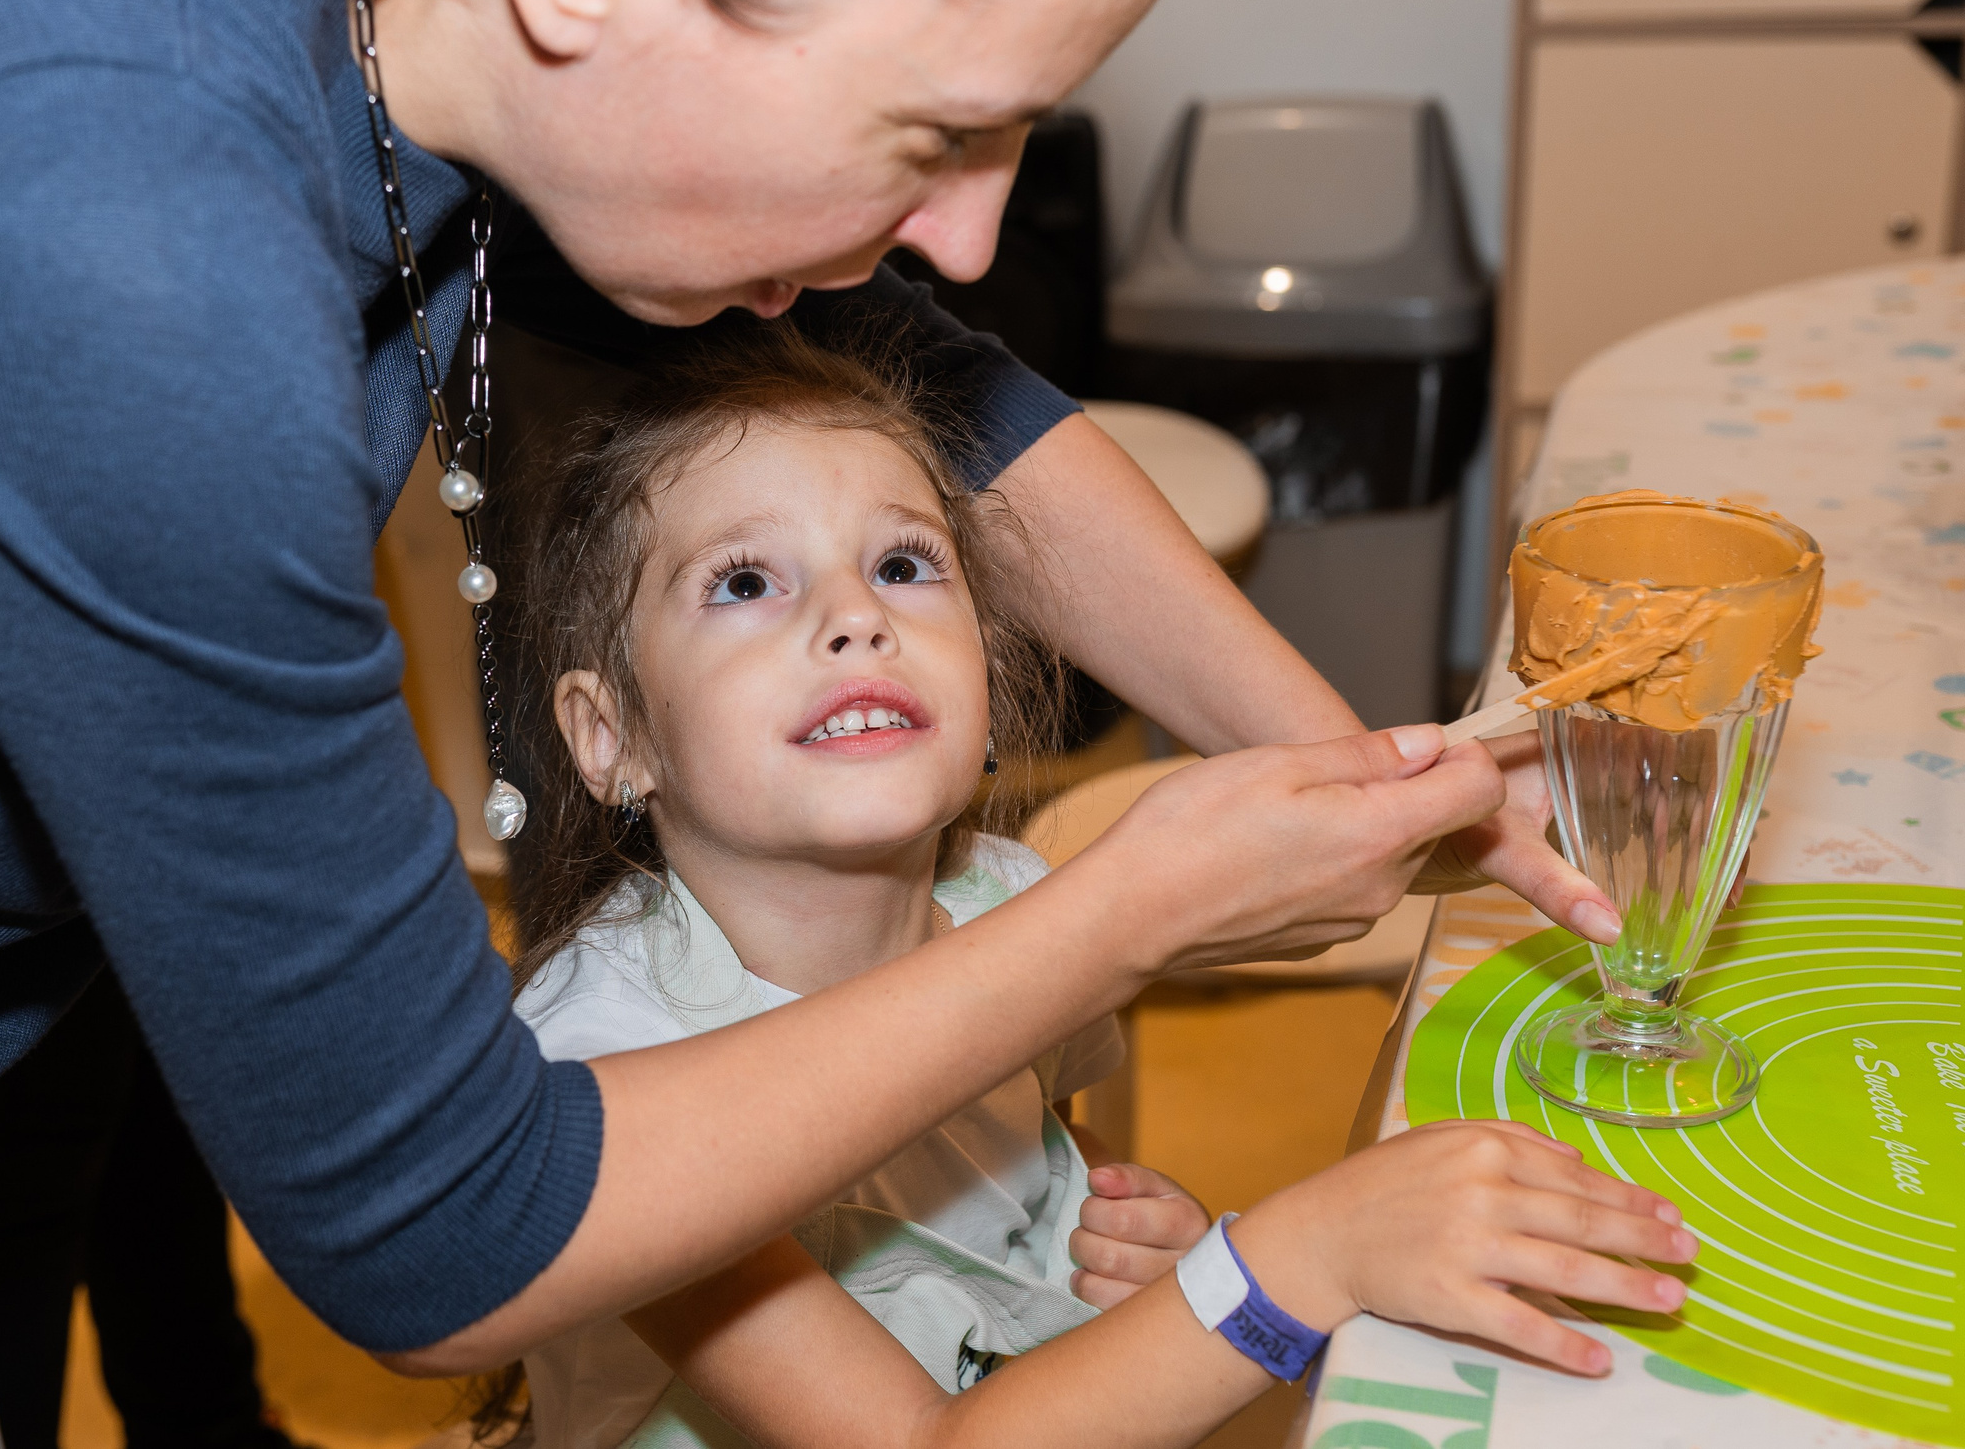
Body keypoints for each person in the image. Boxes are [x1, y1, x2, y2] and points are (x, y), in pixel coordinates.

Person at [0, 0, 1615, 1441]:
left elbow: (927, 385)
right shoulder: (101, 225)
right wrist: (1119, 910)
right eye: (938, 128)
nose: (964, 230)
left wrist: (1346, 767)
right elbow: (436, 1228)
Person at [491, 328, 1691, 1448]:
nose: (853, 616)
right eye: (744, 582)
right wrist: (1298, 1257)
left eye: (904, 563)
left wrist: (1146, 1242)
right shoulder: (608, 1066)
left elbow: (1047, 1166)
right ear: (611, 738)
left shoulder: (1018, 908)